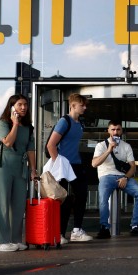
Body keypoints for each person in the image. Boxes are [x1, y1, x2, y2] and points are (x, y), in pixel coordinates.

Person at [0, 95, 37, 252]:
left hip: (20, 167)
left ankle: (15, 240)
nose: (23, 107)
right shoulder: (3, 123)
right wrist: (15, 124)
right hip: (4, 166)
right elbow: (8, 142)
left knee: (18, 206)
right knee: (2, 203)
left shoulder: (29, 127)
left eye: (25, 105)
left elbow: (31, 149)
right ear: (12, 107)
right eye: (19, 105)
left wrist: (33, 170)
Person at [47, 92, 93, 243]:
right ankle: (59, 234)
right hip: (64, 166)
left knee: (81, 196)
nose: (84, 107)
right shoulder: (64, 121)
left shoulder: (79, 123)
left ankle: (76, 231)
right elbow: (50, 145)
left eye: (85, 105)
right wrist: (59, 164)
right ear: (73, 105)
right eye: (82, 105)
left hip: (76, 164)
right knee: (64, 200)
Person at [92, 120, 138, 238]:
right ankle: (104, 227)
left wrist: (126, 178)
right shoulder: (101, 145)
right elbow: (94, 164)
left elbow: (133, 167)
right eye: (113, 129)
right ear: (108, 130)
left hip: (123, 177)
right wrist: (109, 150)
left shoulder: (126, 146)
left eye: (118, 129)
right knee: (103, 198)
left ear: (121, 131)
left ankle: (135, 226)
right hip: (106, 176)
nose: (115, 132)